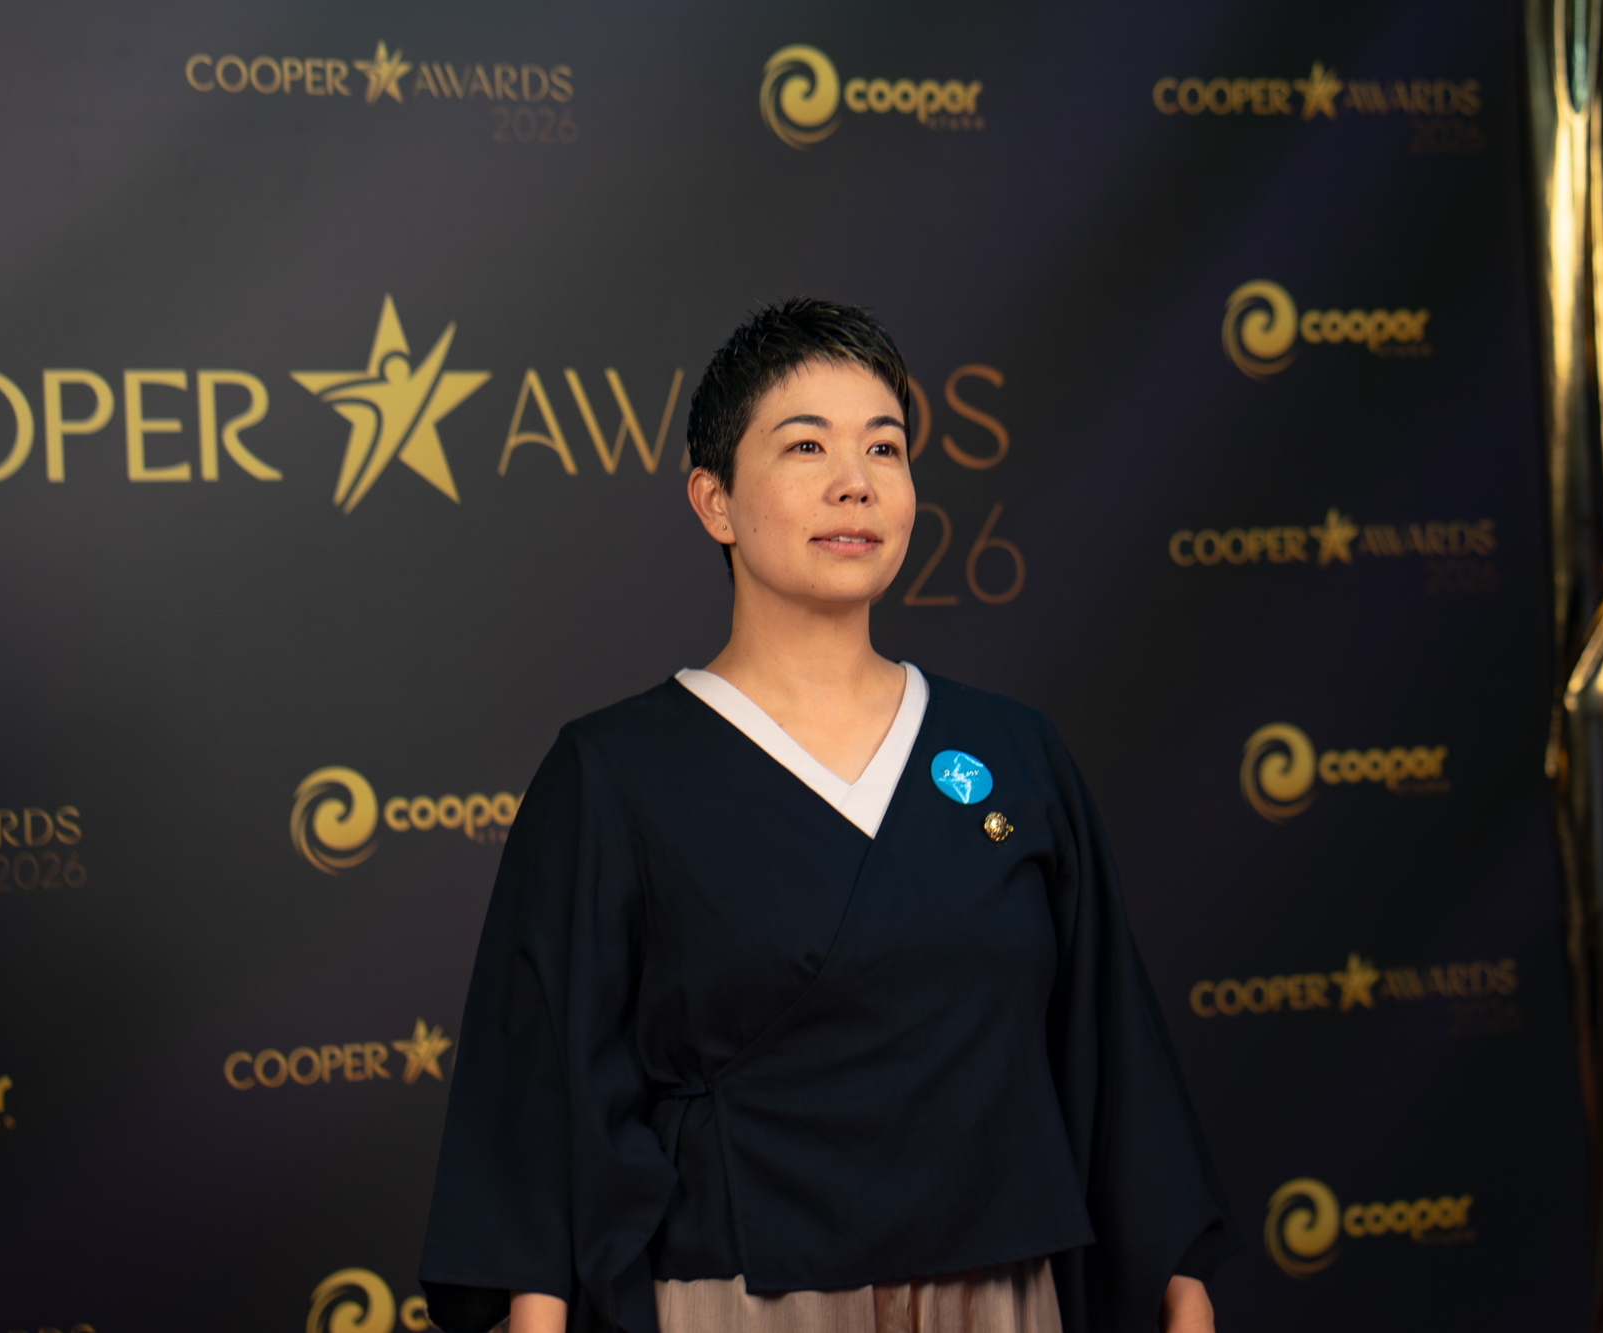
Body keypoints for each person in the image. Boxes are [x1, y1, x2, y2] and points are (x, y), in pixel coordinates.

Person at [419, 299, 1225, 1333]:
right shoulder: (613, 772)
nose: (856, 480)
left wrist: (1177, 1287)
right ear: (714, 500)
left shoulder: (1015, 754)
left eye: (883, 448)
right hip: (739, 1292)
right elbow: (544, 1092)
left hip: (995, 1290)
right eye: (806, 445)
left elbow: (1107, 1049)